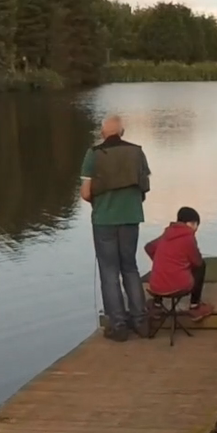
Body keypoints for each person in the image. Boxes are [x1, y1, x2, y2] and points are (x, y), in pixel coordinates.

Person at [79, 114, 151, 341]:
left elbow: (85, 193)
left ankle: (118, 326)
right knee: (130, 267)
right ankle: (140, 322)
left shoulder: (94, 154)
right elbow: (144, 188)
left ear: (103, 133)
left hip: (104, 221)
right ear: (122, 132)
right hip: (131, 218)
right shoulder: (137, 152)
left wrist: (100, 204)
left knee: (109, 272)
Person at [144, 206, 213, 321]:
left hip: (155, 287)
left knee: (163, 268)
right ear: (191, 223)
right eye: (196, 225)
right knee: (201, 266)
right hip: (179, 287)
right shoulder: (188, 237)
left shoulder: (166, 234)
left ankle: (157, 305)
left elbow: (149, 248)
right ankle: (194, 306)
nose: (196, 230)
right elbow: (197, 262)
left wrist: (161, 260)